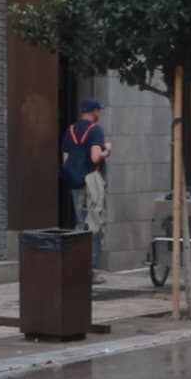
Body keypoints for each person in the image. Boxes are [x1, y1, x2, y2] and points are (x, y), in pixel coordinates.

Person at [64, 91, 111, 260]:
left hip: (75, 183)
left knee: (79, 222)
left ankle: (75, 264)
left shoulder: (70, 130)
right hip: (92, 182)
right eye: (99, 110)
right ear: (94, 111)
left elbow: (66, 159)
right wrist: (107, 150)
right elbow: (95, 157)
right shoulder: (96, 130)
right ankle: (90, 269)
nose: (100, 113)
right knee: (94, 223)